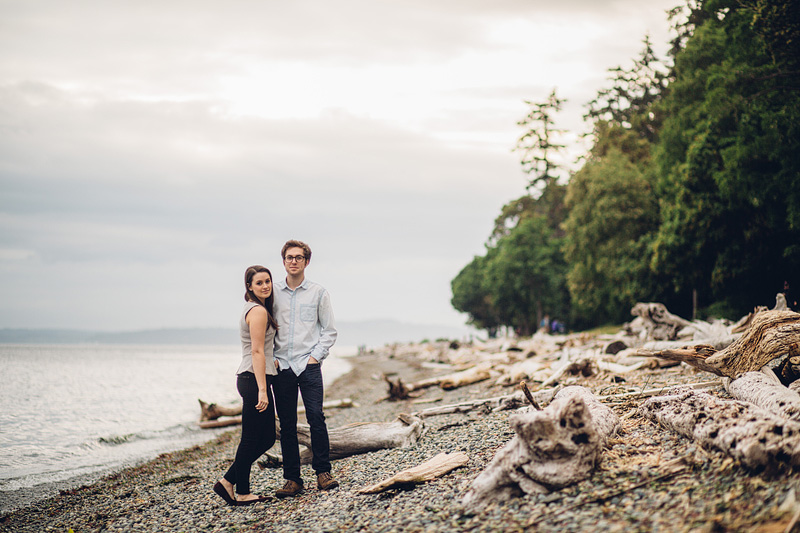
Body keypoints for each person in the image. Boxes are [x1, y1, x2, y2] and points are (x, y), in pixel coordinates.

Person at [271, 239, 339, 498]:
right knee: (287, 425)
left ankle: (323, 472)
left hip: (308, 366)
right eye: (289, 257)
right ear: (284, 261)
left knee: (316, 418)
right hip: (282, 366)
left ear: (306, 262)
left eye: (299, 257)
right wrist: (271, 358)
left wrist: (315, 358)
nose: (294, 261)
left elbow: (329, 331)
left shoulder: (319, 293)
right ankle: (292, 479)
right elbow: (266, 329)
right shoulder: (273, 292)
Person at [213, 265, 279, 506]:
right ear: (249, 286)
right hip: (253, 379)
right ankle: (242, 492)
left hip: (253, 378)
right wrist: (263, 389)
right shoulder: (258, 311)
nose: (265, 286)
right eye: (259, 282)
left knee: (266, 438)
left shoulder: (256, 309)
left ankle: (229, 482)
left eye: (267, 281)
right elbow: (257, 350)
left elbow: (264, 350)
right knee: (252, 438)